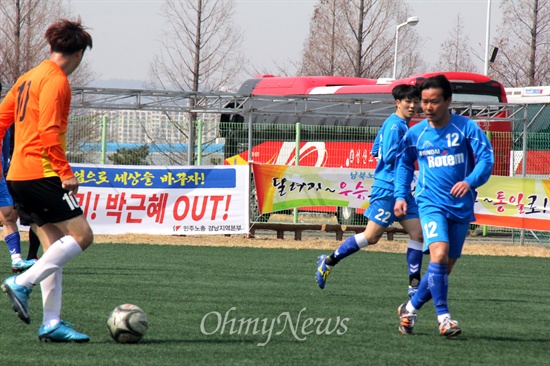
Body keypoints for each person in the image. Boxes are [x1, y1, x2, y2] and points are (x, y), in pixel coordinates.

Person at [0, 18, 94, 343]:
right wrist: (65, 172)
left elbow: (0, 121)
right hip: (43, 174)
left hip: (17, 176)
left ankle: (51, 323)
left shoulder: (28, 78)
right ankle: (21, 283)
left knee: (55, 247)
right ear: (79, 53)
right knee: (82, 236)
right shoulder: (56, 81)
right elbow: (49, 132)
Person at [394, 75, 494, 338]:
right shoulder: (416, 133)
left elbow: (486, 159)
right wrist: (401, 195)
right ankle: (444, 319)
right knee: (438, 255)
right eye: (424, 102)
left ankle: (410, 308)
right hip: (430, 203)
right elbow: (404, 164)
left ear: (448, 101)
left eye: (434, 102)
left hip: (461, 207)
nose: (427, 107)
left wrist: (470, 181)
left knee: (442, 270)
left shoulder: (467, 128)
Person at [316, 84, 424, 297]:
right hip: (387, 191)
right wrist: (417, 151)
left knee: (418, 234)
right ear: (398, 103)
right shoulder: (396, 127)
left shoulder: (393, 124)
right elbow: (390, 155)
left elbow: (375, 150)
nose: (413, 106)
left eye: (415, 101)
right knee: (371, 237)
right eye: (408, 102)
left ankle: (414, 284)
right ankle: (328, 261)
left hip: (402, 190)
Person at [1, 130, 37, 273]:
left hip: (0, 178)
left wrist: (5, 168)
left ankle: (16, 260)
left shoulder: (5, 121)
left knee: (8, 215)